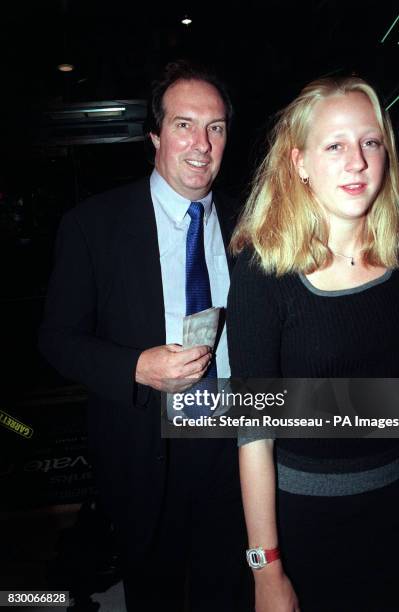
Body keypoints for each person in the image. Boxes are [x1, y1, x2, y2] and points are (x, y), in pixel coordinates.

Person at [39, 60, 249, 612]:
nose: (202, 144)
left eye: (217, 127)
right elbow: (56, 340)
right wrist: (135, 367)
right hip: (143, 449)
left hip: (233, 445)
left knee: (225, 590)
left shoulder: (250, 224)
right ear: (154, 134)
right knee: (153, 592)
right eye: (184, 125)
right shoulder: (94, 225)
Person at [227, 76, 399, 612]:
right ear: (299, 163)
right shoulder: (265, 273)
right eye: (334, 145)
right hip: (309, 524)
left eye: (370, 142)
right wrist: (266, 570)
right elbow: (253, 435)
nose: (357, 161)